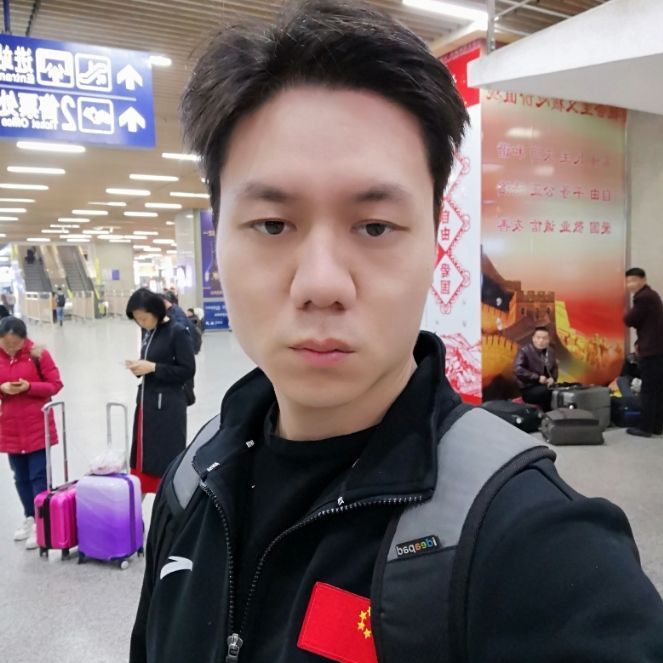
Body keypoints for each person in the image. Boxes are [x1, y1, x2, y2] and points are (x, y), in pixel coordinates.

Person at [130, 3, 663, 662]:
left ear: (435, 245)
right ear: (219, 241)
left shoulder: (533, 544)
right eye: (272, 224)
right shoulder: (192, 487)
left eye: (375, 227)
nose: (321, 283)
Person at [0, 317, 63, 550]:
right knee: (20, 476)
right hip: (11, 427)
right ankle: (29, 515)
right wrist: (2, 389)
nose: (11, 349)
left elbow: (55, 384)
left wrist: (29, 387)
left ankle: (41, 521)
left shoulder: (38, 355)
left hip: (37, 425)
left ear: (24, 339)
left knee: (38, 476)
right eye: (6, 344)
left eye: (15, 344)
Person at [125, 288, 196, 495]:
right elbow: (150, 360)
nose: (141, 323)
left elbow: (187, 370)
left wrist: (154, 367)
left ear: (156, 311)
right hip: (147, 405)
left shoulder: (177, 332)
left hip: (167, 408)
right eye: (137, 320)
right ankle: (136, 509)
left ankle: (167, 506)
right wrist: (139, 367)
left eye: (144, 318)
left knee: (164, 461)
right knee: (142, 458)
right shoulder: (150, 332)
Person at [623, 267, 663, 437]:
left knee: (648, 390)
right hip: (657, 349)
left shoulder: (643, 297)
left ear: (643, 280)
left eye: (634, 280)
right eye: (628, 281)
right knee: (657, 389)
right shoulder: (653, 295)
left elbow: (629, 319)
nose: (630, 284)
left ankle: (645, 427)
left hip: (650, 351)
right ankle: (656, 425)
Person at [513, 326, 559, 411]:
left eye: (544, 338)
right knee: (548, 393)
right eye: (538, 338)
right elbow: (518, 369)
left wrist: (553, 378)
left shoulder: (550, 352)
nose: (541, 341)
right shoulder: (524, 351)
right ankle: (547, 414)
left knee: (560, 391)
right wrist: (537, 378)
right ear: (533, 338)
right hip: (529, 389)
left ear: (548, 340)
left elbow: (554, 368)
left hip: (546, 386)